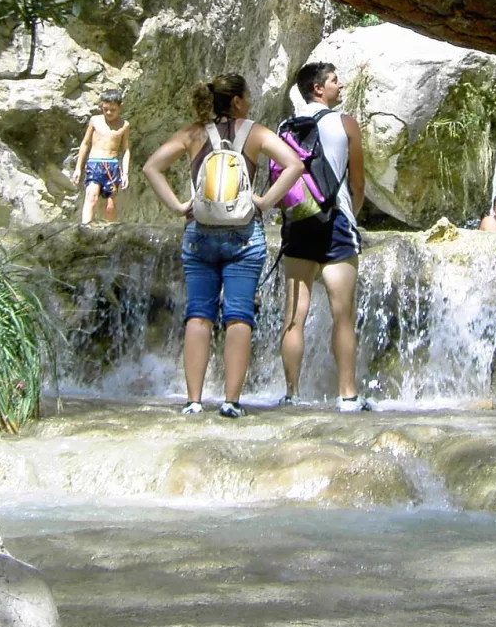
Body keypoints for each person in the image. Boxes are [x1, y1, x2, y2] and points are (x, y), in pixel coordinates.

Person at [142, 74, 302, 418]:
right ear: (237, 102)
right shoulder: (255, 132)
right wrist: (264, 202)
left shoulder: (192, 133)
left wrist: (178, 206)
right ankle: (231, 401)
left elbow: (151, 166)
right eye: (248, 96)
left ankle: (194, 401)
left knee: (199, 314)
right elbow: (295, 164)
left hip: (200, 232)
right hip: (245, 234)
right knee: (238, 316)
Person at [277, 61, 373, 413]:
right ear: (318, 88)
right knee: (343, 315)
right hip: (336, 222)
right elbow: (358, 182)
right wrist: (351, 211)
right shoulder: (346, 123)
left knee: (294, 315)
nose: (340, 85)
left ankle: (291, 394)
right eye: (334, 80)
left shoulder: (285, 124)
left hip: (299, 222)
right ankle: (347, 395)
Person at [71, 89, 131, 225]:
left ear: (120, 107)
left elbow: (126, 149)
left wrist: (125, 173)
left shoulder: (124, 125)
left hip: (112, 165)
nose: (109, 113)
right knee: (91, 196)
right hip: (94, 163)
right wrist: (78, 168)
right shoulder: (95, 121)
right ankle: (85, 228)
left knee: (110, 205)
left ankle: (110, 231)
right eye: (105, 109)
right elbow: (85, 143)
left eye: (113, 110)